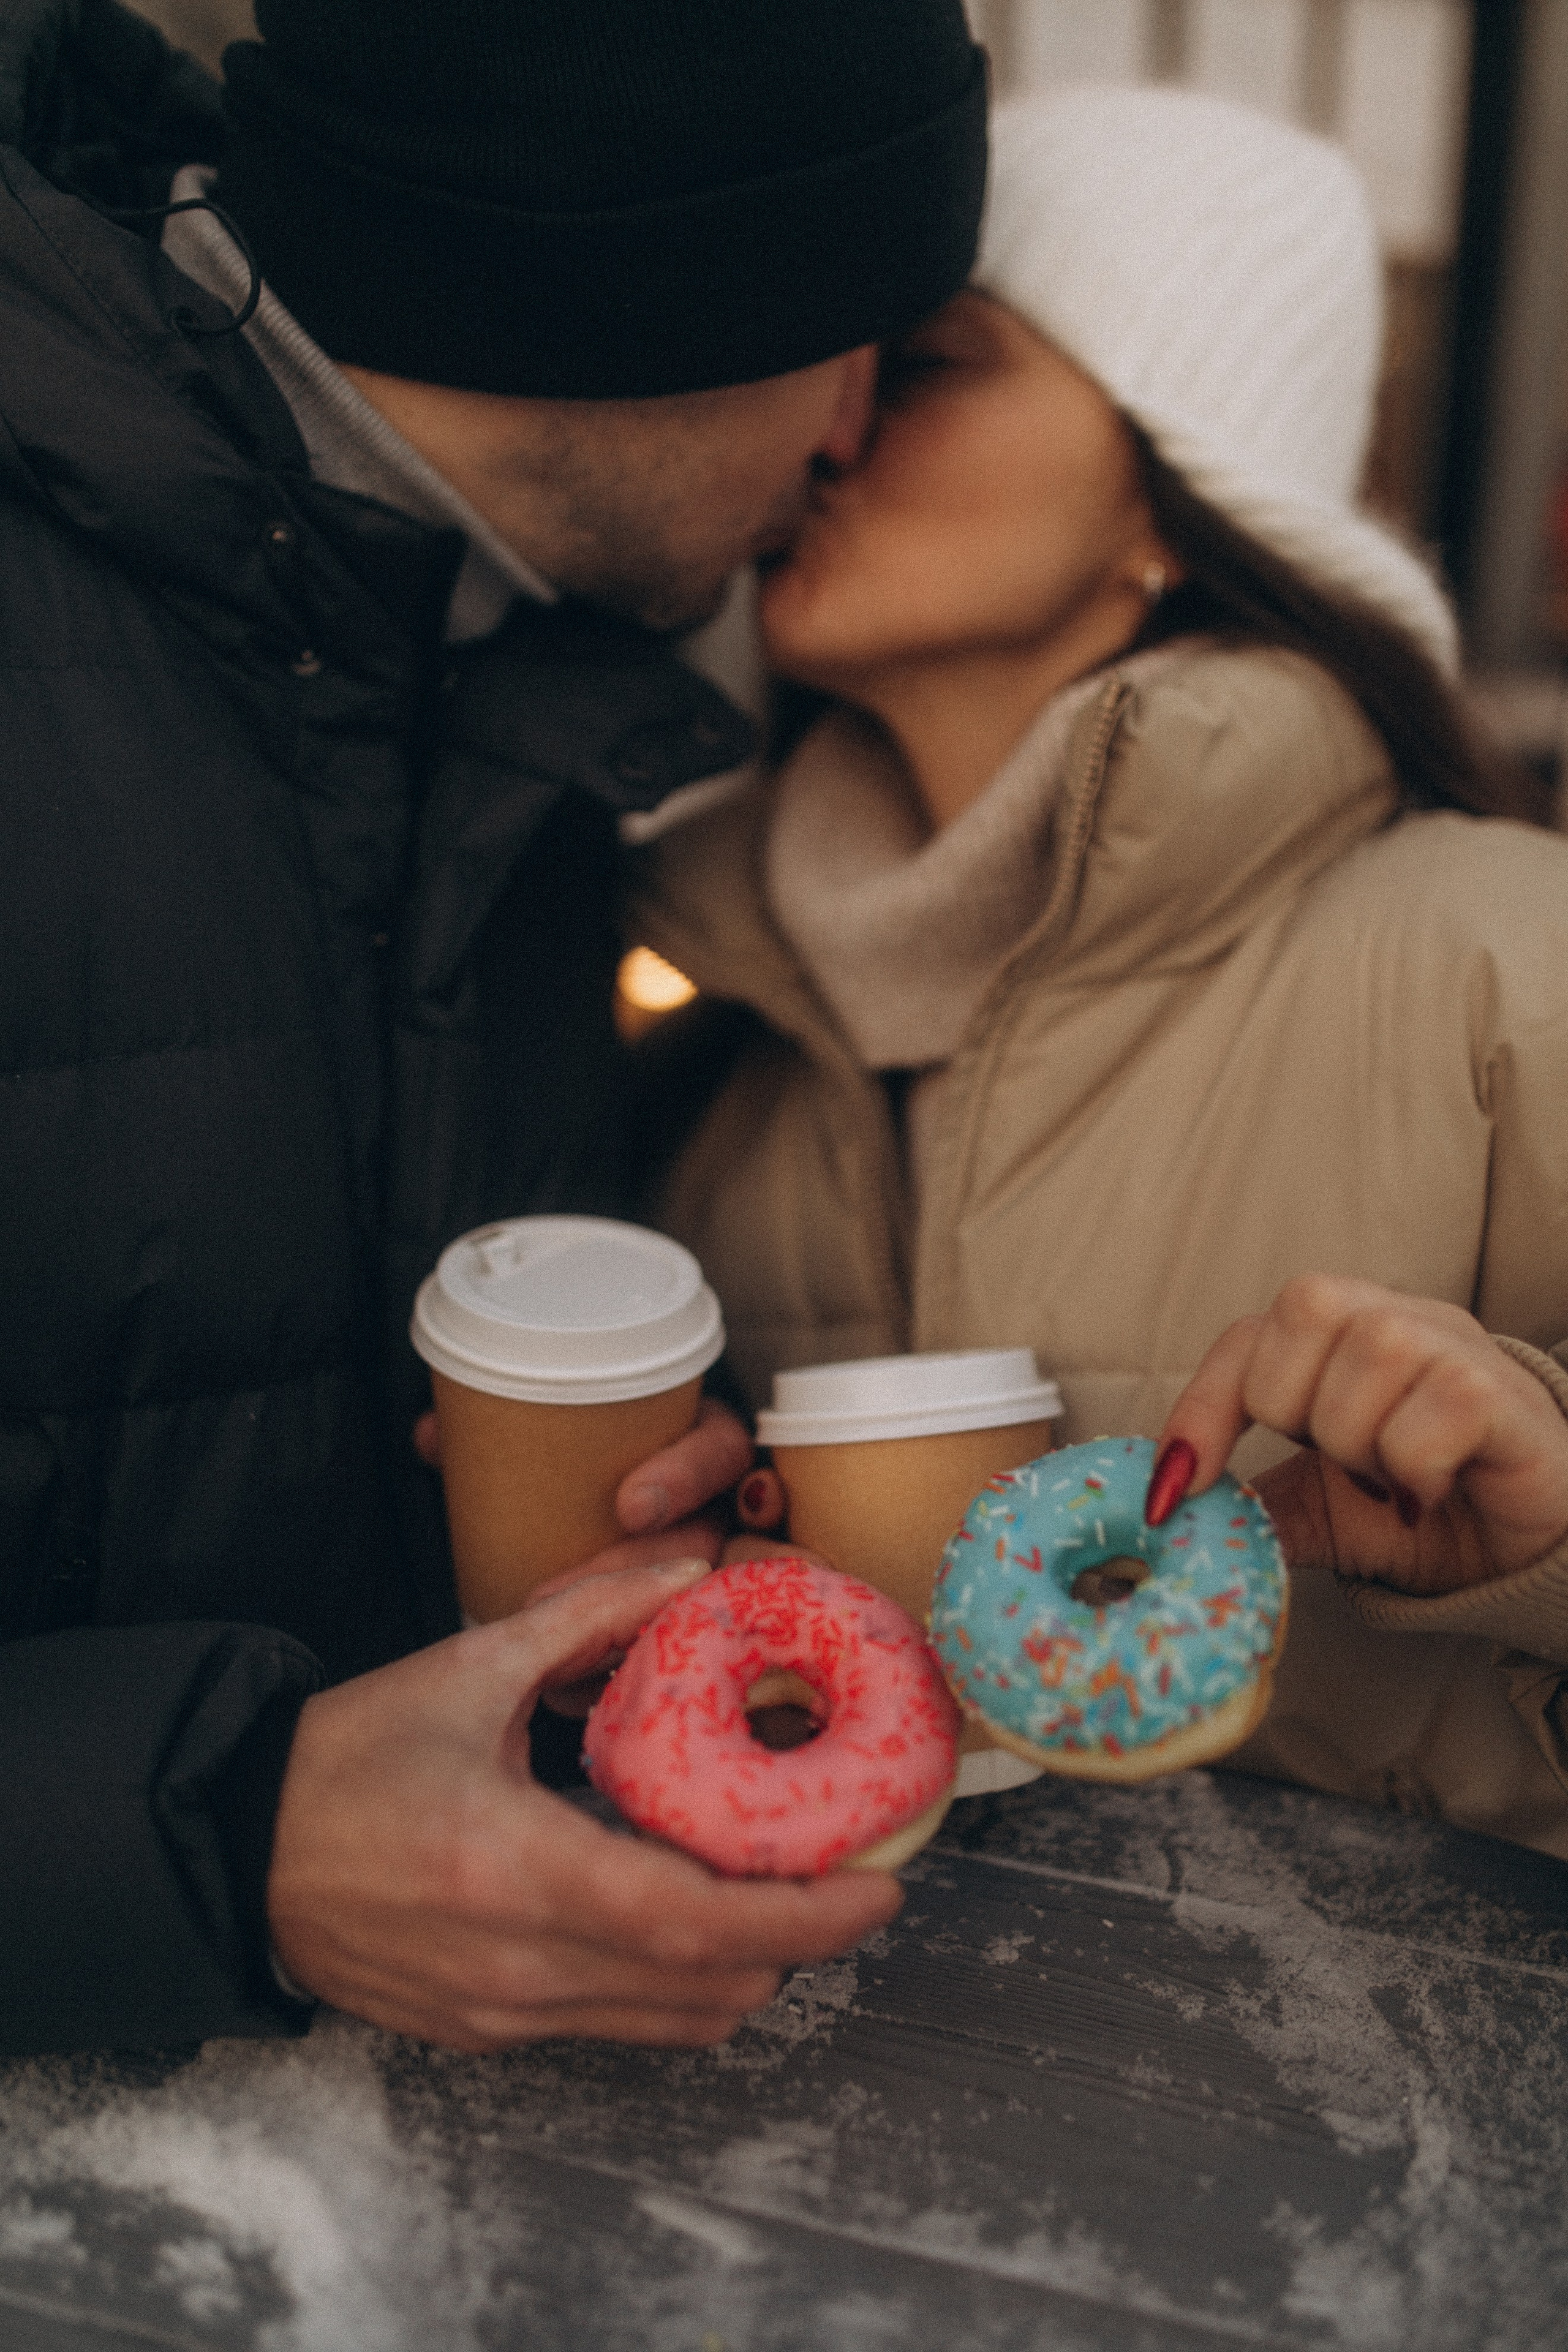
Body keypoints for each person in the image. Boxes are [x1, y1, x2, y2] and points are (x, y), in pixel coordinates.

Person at [0, 0, 991, 2053]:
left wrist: (607, 1502)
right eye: (853, 334)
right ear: (641, 289)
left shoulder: (492, 672)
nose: (848, 434)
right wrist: (221, 1831)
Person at [629, 87, 1568, 1860]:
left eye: (926, 363)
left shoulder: (1515, 966)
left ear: (1176, 487)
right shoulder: (711, 1024)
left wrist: (1551, 1515)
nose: (824, 430)